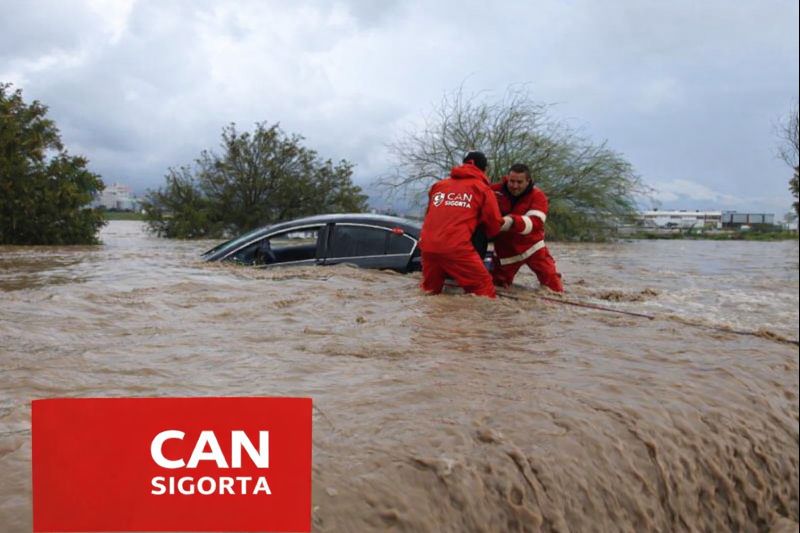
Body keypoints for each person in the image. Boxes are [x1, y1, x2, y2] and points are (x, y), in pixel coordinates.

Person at [419, 151, 506, 298]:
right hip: (457, 249)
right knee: (484, 289)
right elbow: (494, 225)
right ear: (485, 169)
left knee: (429, 291)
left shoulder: (438, 186)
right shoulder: (482, 189)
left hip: (427, 248)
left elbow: (429, 215)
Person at [491, 163, 563, 292]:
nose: (514, 186)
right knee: (497, 287)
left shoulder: (538, 196)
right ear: (507, 178)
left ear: (528, 181)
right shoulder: (494, 190)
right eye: (512, 181)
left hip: (533, 248)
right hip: (505, 251)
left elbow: (536, 222)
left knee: (553, 285)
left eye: (519, 182)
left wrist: (511, 222)